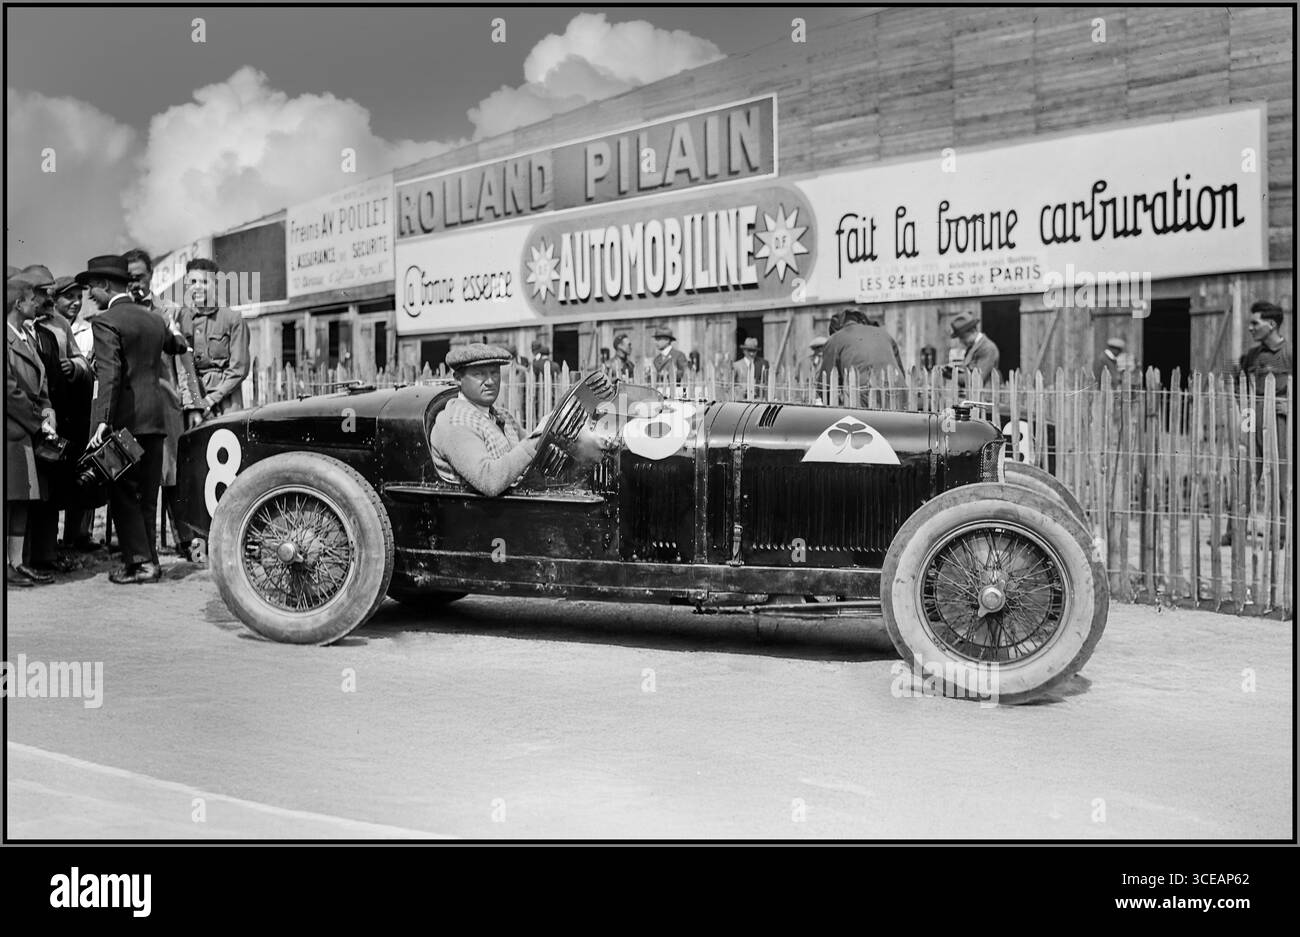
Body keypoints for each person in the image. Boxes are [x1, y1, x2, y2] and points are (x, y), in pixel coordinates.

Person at [82, 255, 189, 584]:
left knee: (124, 493)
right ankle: (147, 561)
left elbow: (110, 375)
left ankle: (140, 564)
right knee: (147, 494)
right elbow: (178, 345)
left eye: (91, 290)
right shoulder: (153, 319)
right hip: (154, 422)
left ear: (104, 285)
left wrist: (101, 421)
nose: (90, 297)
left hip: (124, 424)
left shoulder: (105, 322)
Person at [125, 248, 203, 556]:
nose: (135, 284)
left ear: (151, 276)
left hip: (164, 402)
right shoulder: (119, 313)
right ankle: (140, 546)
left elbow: (184, 361)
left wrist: (193, 404)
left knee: (172, 473)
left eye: (140, 277)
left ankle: (185, 539)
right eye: (129, 278)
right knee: (134, 476)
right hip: (129, 407)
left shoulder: (169, 310)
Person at [24, 269, 93, 570]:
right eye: (47, 293)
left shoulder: (59, 325)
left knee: (53, 487)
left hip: (57, 413)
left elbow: (82, 362)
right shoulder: (22, 327)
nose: (49, 298)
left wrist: (74, 367)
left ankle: (48, 551)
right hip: (29, 416)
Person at [430, 344, 544, 497]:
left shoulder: (503, 416)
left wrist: (545, 432)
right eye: (479, 374)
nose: (490, 381)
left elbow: (535, 448)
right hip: (474, 515)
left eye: (494, 373)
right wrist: (534, 440)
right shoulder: (455, 423)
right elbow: (489, 481)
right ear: (458, 379)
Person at [5, 273, 58, 586]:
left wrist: (48, 415)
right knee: (10, 500)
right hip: (12, 431)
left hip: (25, 431)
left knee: (22, 499)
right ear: (17, 302)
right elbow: (9, 391)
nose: (39, 301)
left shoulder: (24, 335)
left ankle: (16, 561)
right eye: (33, 296)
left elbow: (41, 385)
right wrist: (40, 422)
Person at [178, 257, 249, 425]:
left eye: (204, 282)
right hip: (194, 402)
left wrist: (211, 399)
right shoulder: (181, 320)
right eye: (193, 281)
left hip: (227, 400)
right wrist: (196, 403)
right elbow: (184, 369)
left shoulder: (233, 319)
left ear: (215, 284)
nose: (198, 287)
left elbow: (239, 368)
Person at [817, 306, 904, 403]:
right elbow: (901, 370)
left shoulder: (835, 339)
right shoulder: (885, 334)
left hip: (864, 398)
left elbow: (825, 386)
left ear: (835, 329)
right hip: (899, 393)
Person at [947, 311, 1000, 391]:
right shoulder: (972, 348)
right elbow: (967, 370)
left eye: (963, 337)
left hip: (985, 398)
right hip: (973, 396)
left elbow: (977, 379)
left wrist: (952, 375)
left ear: (972, 331)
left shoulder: (988, 348)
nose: (961, 341)